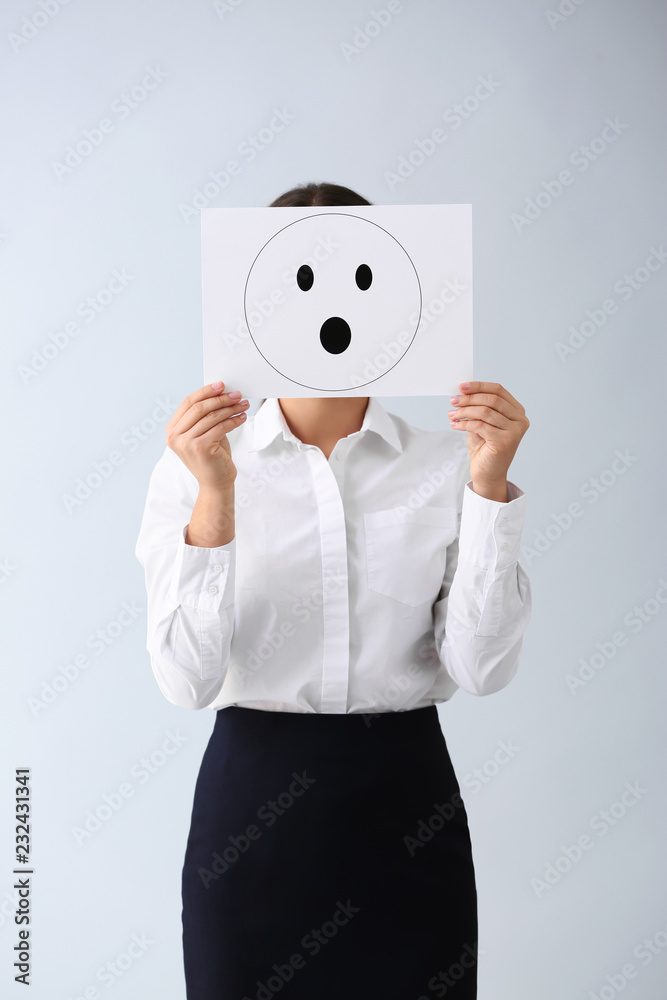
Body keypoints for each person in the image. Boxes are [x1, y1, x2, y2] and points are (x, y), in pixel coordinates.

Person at [135, 181, 532, 999]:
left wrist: (489, 487)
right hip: (251, 816)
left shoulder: (445, 463)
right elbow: (185, 681)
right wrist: (215, 498)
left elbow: (482, 669)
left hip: (406, 803)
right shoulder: (196, 465)